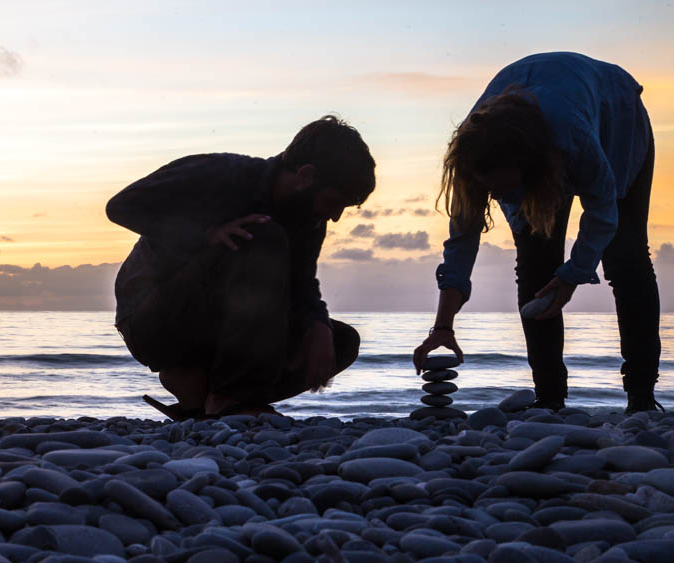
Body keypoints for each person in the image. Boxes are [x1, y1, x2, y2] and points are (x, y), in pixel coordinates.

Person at [413, 52, 660, 413]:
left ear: (534, 172)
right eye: (491, 190)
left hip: (616, 113)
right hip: (545, 121)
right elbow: (461, 241)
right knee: (535, 266)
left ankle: (641, 397)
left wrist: (573, 274)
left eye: (505, 190)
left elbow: (602, 211)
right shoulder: (473, 154)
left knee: (626, 259)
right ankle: (549, 398)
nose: (497, 199)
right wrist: (443, 327)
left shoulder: (573, 139)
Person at [107, 115, 374, 418]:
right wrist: (206, 234)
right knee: (263, 236)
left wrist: (318, 324)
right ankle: (232, 399)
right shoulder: (219, 173)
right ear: (306, 175)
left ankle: (199, 389)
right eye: (333, 201)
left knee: (339, 342)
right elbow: (121, 206)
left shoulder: (309, 219)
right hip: (151, 321)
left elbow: (301, 283)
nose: (335, 216)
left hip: (220, 333)